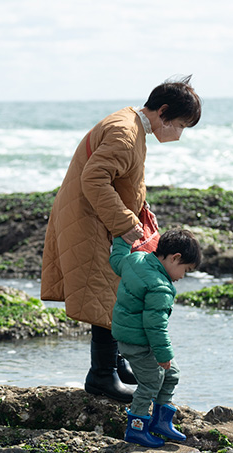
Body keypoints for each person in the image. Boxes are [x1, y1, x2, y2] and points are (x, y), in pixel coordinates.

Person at [40, 76, 201, 403]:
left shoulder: (131, 125)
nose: (179, 135)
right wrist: (125, 221)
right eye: (181, 125)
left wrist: (139, 210)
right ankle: (102, 376)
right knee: (108, 294)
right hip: (90, 221)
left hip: (92, 217)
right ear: (164, 112)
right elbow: (95, 179)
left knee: (114, 290)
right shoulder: (126, 132)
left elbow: (122, 179)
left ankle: (114, 363)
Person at [109, 229, 201, 446]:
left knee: (171, 373)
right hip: (139, 342)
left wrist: (123, 240)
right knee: (150, 382)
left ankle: (161, 421)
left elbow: (116, 260)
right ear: (174, 258)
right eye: (185, 270)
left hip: (132, 337)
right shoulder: (159, 286)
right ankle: (136, 428)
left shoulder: (135, 259)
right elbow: (155, 326)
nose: (182, 277)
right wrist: (163, 354)